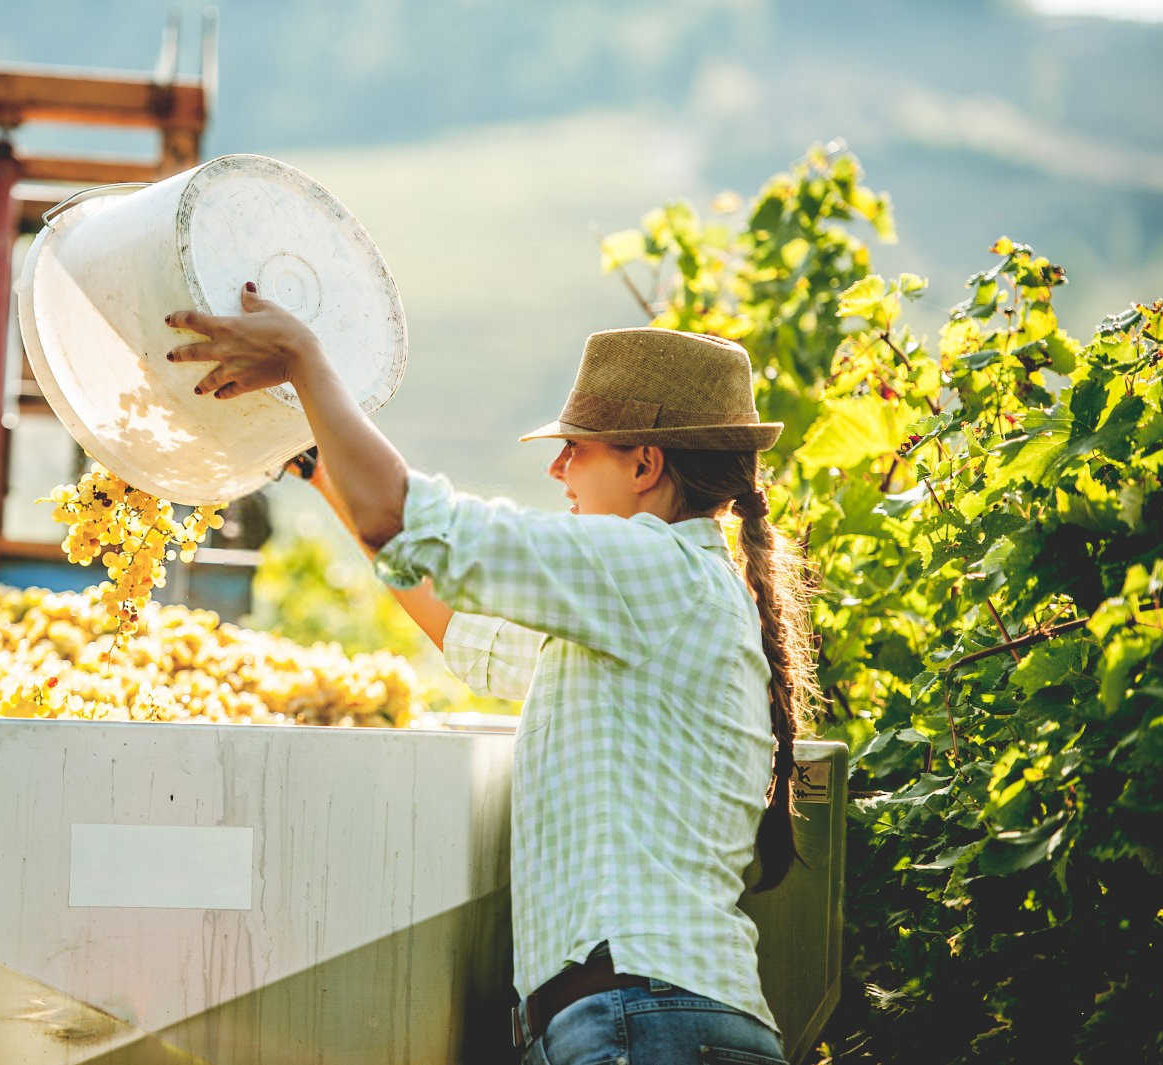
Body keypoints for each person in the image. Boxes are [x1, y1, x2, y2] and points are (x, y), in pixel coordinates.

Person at [165, 284, 815, 1065]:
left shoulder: (656, 569)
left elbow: (417, 523)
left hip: (645, 1024)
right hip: (653, 1023)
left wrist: (307, 361)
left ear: (646, 464)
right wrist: (317, 466)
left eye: (579, 447)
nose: (557, 467)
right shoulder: (652, 606)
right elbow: (463, 628)